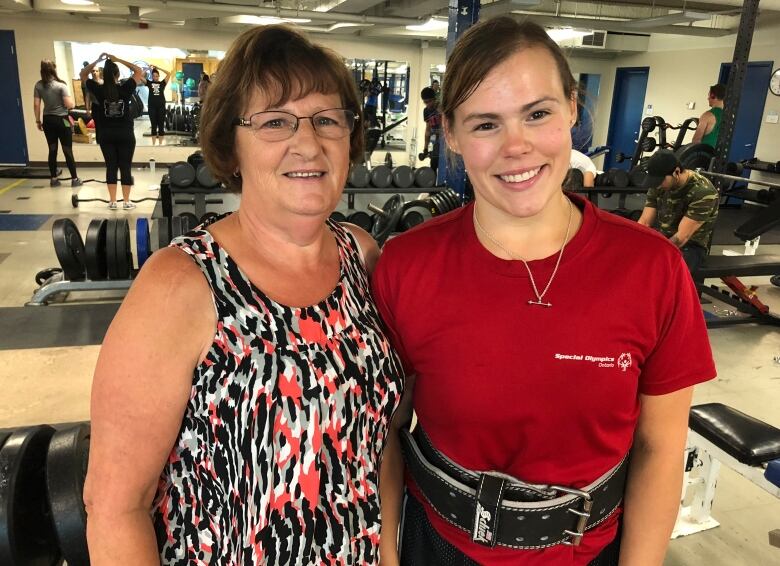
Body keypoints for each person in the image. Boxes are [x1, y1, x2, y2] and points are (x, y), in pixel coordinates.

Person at [372, 17, 716, 566]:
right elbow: (386, 432)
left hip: (592, 552)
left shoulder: (653, 268)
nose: (518, 146)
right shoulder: (406, 265)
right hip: (438, 547)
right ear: (452, 136)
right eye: (485, 124)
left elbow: (660, 448)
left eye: (538, 113)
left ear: (573, 109)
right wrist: (387, 555)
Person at [83, 25, 403, 565]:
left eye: (327, 119)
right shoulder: (180, 283)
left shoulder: (363, 257)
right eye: (275, 122)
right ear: (232, 145)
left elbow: (382, 439)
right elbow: (115, 505)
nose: (309, 142)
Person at [638, 149, 719, 273]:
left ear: (676, 172)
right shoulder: (658, 186)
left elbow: (681, 238)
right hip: (663, 238)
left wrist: (655, 254)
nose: (657, 186)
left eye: (660, 181)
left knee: (661, 271)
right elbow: (644, 222)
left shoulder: (703, 192)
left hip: (691, 246)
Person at [80, 54, 144, 210]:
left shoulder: (98, 90)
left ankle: (113, 201)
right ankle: (127, 201)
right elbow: (138, 70)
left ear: (103, 75)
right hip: (125, 135)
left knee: (111, 166)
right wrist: (118, 60)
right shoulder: (125, 88)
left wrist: (97, 60)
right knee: (125, 166)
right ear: (118, 75)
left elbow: (83, 74)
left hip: (106, 135)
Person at [33, 60, 82, 187]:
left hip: (47, 120)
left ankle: (54, 179)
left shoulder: (38, 85)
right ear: (54, 68)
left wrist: (38, 120)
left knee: (52, 149)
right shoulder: (61, 85)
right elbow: (70, 105)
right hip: (63, 120)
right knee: (67, 150)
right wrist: (70, 101)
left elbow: (36, 105)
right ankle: (75, 179)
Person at [692, 83, 725, 148]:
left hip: (705, 156)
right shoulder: (728, 116)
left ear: (713, 96)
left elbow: (695, 141)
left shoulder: (707, 116)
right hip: (718, 156)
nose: (707, 98)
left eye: (708, 95)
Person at [146, 66, 170, 145]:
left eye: (157, 76)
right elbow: (140, 76)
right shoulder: (149, 83)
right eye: (154, 76)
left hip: (161, 107)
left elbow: (169, 73)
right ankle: (153, 145)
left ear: (158, 76)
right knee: (153, 125)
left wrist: (159, 68)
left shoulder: (162, 83)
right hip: (152, 107)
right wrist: (148, 68)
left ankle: (160, 144)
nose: (155, 77)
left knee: (161, 126)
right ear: (152, 76)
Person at [420, 86, 441, 175]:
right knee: (433, 165)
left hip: (445, 140)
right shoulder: (426, 111)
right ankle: (433, 188)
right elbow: (428, 129)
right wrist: (425, 147)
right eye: (425, 102)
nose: (427, 104)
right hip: (434, 140)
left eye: (429, 101)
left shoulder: (442, 107)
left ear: (434, 99)